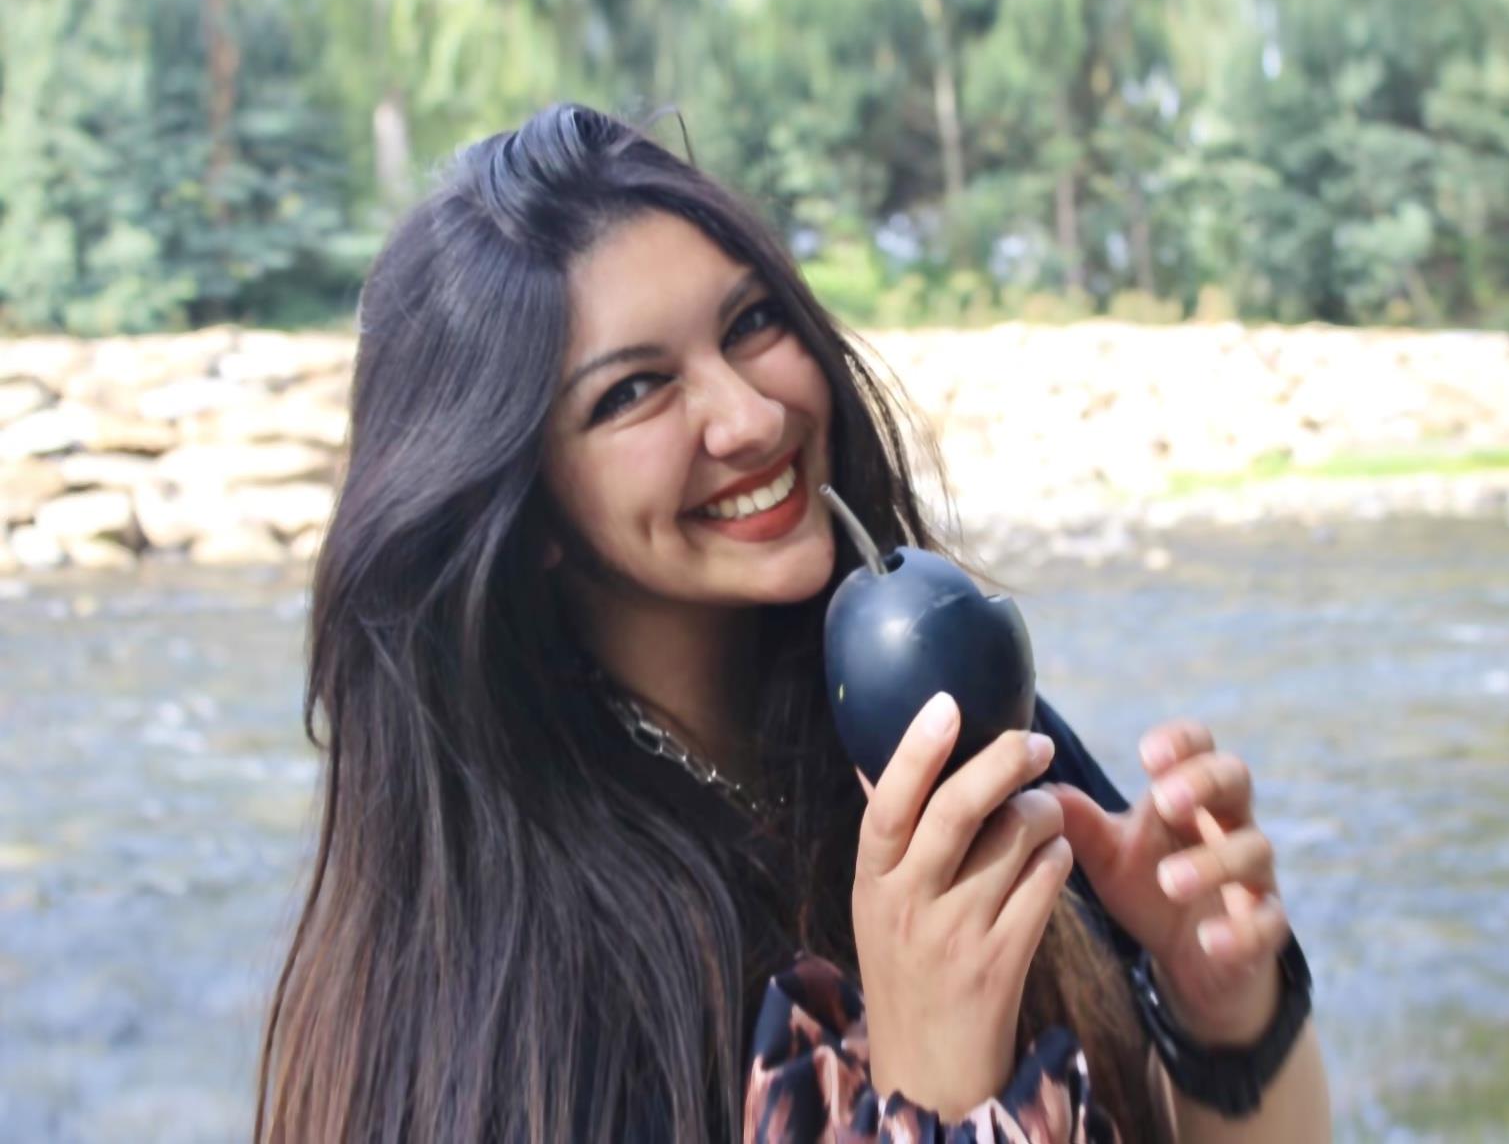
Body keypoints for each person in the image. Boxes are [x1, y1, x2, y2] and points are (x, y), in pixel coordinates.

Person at [254, 103, 1331, 1142]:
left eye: (751, 323)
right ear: (527, 506)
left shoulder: (936, 722)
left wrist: (1218, 1013)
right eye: (632, 391)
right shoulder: (511, 984)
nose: (753, 415)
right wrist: (929, 1097)